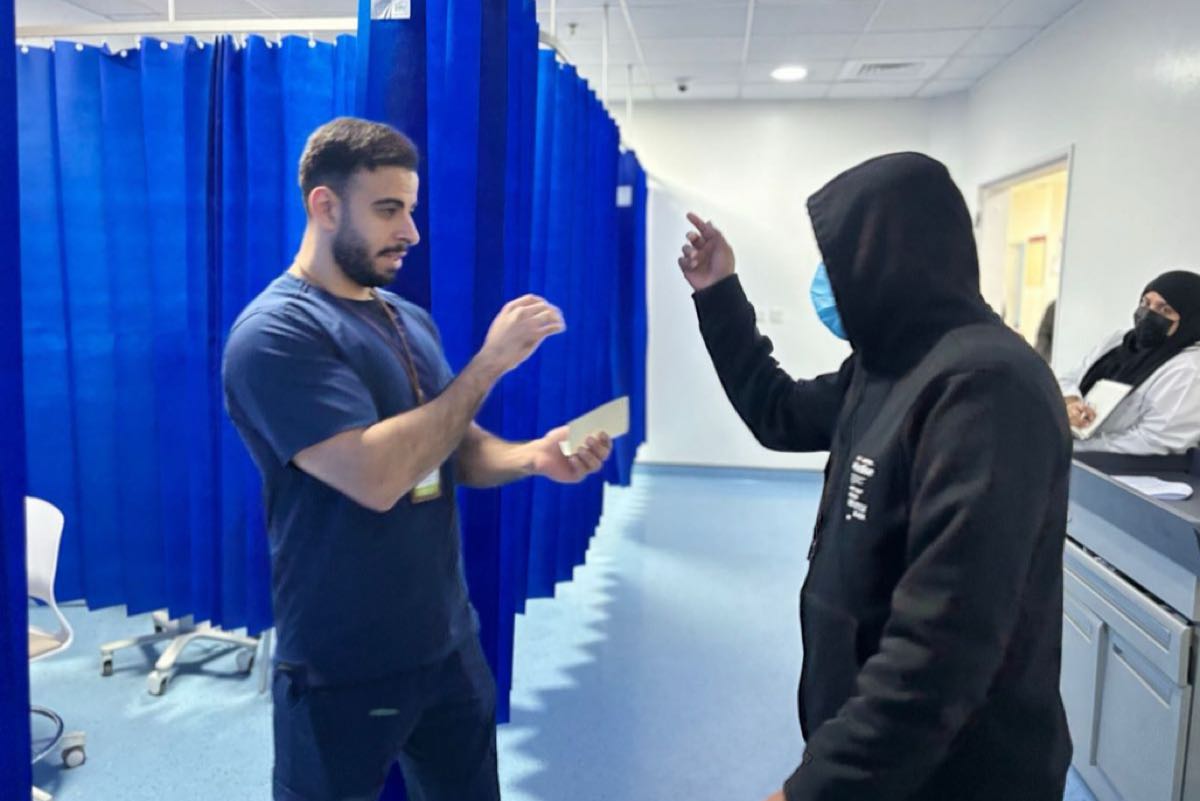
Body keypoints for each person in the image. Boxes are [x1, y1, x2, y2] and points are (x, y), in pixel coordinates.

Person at [222, 117, 612, 801]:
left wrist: (530, 457)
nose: (410, 232)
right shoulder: (276, 333)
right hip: (343, 661)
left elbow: (452, 446)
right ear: (324, 206)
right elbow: (376, 477)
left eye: (411, 209)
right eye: (387, 210)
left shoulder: (407, 318)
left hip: (445, 642)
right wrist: (489, 364)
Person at [678, 152, 1072, 801]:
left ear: (894, 251)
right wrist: (718, 293)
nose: (830, 280)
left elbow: (943, 646)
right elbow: (778, 412)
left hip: (955, 772)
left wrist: (813, 790)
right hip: (880, 761)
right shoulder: (887, 364)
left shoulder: (985, 386)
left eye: (839, 259)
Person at [1059, 270, 1200, 455]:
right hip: (1075, 448)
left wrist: (1076, 448)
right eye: (1145, 303)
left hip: (1122, 466)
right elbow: (1069, 379)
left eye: (1165, 310)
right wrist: (1072, 403)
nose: (1148, 314)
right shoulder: (1120, 340)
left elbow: (1151, 442)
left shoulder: (1188, 370)